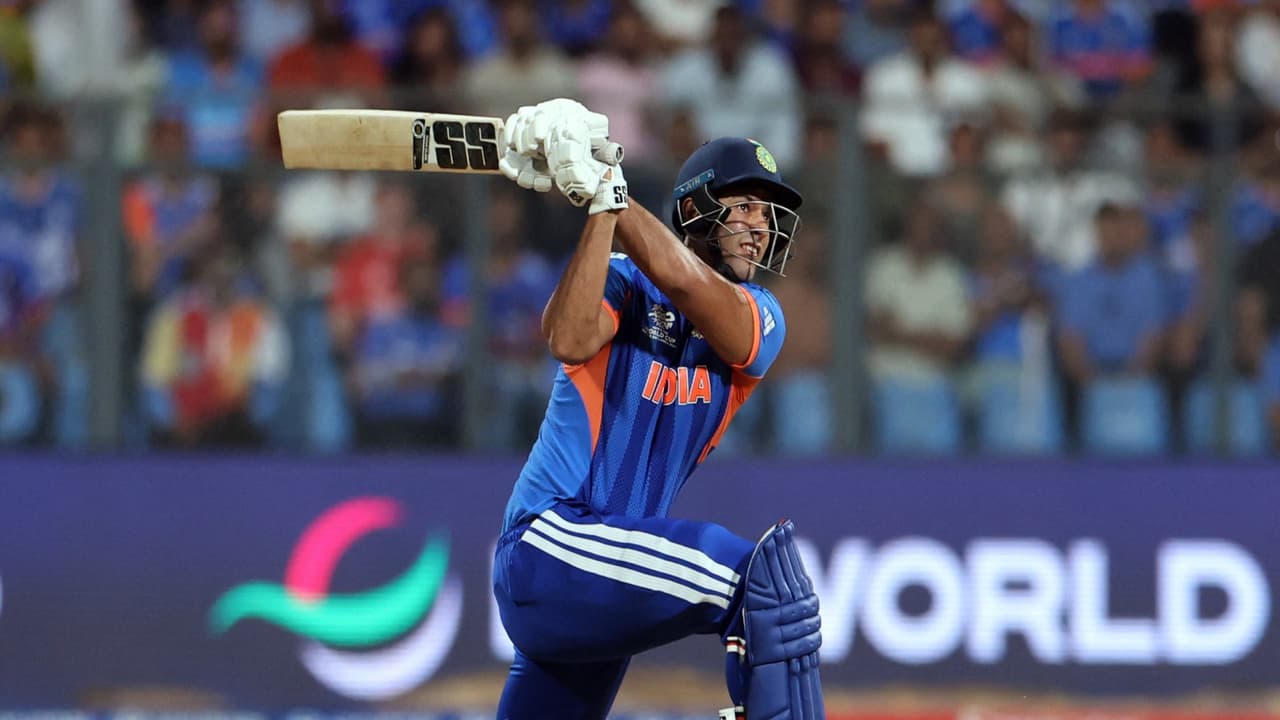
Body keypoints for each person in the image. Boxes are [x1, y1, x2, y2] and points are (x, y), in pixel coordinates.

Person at [490, 99, 823, 719]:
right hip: (550, 542)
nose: (760, 225)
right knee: (765, 583)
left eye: (767, 213)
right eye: (745, 206)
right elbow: (567, 338)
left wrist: (610, 191)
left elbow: (688, 283)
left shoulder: (762, 316)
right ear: (695, 210)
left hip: (603, 573)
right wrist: (601, 204)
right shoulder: (622, 279)